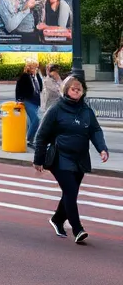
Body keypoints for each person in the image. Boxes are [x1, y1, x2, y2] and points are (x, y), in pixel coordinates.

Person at [33, 76, 109, 243]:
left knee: (70, 192)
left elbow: (95, 131)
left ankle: (57, 219)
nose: (76, 91)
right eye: (73, 88)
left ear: (83, 91)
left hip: (80, 158)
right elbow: (41, 135)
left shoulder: (86, 111)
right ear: (66, 90)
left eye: (79, 89)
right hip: (60, 157)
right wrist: (38, 159)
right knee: (70, 191)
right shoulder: (56, 109)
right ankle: (77, 229)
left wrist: (102, 148)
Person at [14, 60, 43, 148]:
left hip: (36, 101)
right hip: (28, 100)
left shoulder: (36, 76)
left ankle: (25, 139)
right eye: (35, 67)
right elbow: (18, 88)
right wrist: (18, 99)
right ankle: (29, 140)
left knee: (31, 122)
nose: (36, 69)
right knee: (36, 120)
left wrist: (39, 76)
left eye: (37, 67)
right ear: (30, 68)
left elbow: (40, 87)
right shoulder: (24, 76)